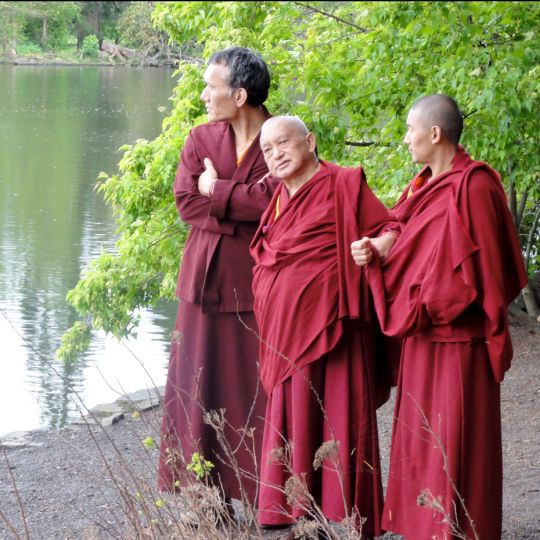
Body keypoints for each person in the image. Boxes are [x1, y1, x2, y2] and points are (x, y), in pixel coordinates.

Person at [351, 94, 528, 539]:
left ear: (434, 133)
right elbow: (401, 234)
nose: (406, 139)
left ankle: (459, 531)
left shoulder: (476, 186)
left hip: (459, 341)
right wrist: (376, 249)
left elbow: (486, 273)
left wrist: (433, 299)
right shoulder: (421, 186)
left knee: (457, 441)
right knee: (419, 442)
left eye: (410, 130)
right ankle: (421, 528)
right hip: (421, 336)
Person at [250, 115, 398, 536]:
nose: (275, 154)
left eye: (283, 143)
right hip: (284, 332)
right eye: (267, 150)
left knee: (337, 414)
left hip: (336, 329)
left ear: (310, 141)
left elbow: (391, 228)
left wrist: (376, 246)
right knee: (290, 410)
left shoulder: (344, 185)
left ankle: (346, 509)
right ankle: (289, 508)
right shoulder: (276, 199)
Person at [158, 47, 279, 506]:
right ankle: (203, 500)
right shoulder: (201, 138)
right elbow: (187, 203)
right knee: (197, 387)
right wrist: (238, 202)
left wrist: (217, 191)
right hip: (204, 283)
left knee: (254, 390)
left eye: (212, 87)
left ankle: (267, 497)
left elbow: (278, 205)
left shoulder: (282, 137)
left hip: (257, 284)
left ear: (241, 94)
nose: (205, 95)